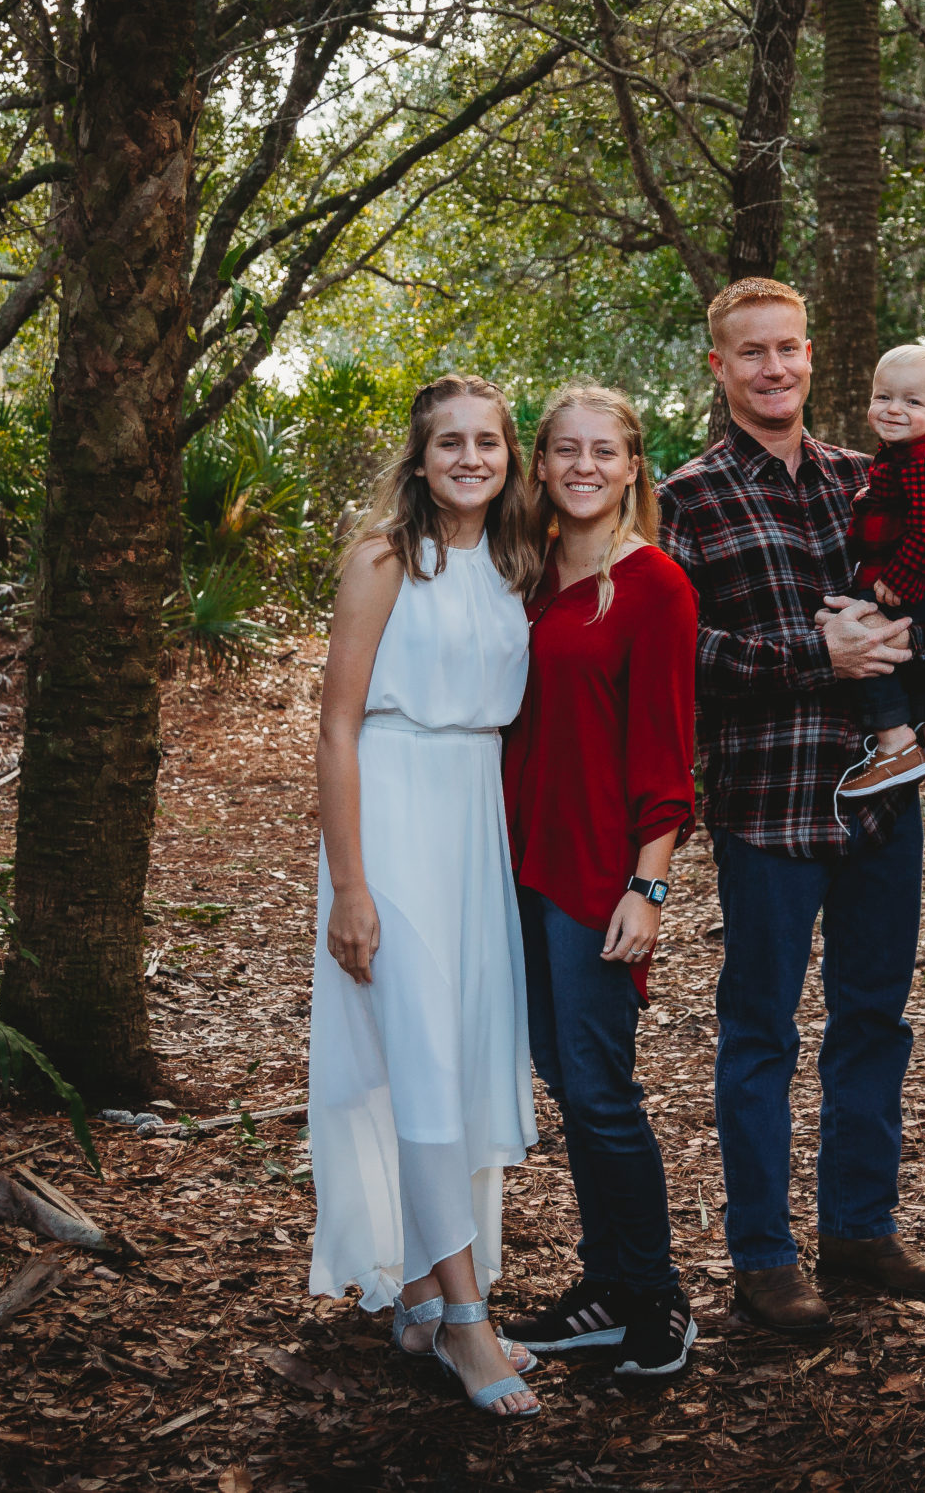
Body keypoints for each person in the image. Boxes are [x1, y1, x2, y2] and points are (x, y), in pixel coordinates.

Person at [658, 277, 925, 1338]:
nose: (774, 367)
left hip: (883, 798)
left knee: (875, 1019)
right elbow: (674, 656)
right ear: (720, 368)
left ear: (808, 354)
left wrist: (909, 639)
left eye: (788, 348)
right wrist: (811, 653)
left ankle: (859, 1231)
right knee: (759, 1033)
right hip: (768, 806)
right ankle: (763, 1255)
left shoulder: (874, 476)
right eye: (751, 353)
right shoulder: (684, 499)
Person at [306, 375, 543, 1418]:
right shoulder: (382, 559)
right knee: (424, 1059)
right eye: (450, 442)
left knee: (454, 1057)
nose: (470, 458)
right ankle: (465, 1324)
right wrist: (351, 884)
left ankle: (418, 1286)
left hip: (471, 820)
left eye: (488, 442)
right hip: (394, 818)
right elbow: (337, 729)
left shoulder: (511, 562)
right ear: (418, 456)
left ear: (509, 457)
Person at [499, 384, 704, 1377]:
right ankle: (608, 1285)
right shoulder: (518, 576)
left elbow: (667, 761)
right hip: (509, 863)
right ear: (538, 465)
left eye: (604, 452)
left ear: (632, 469)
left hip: (594, 876)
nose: (583, 467)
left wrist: (647, 890)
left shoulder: (655, 585)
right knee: (565, 1080)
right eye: (565, 451)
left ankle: (656, 1297)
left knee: (601, 1088)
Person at [834, 344, 925, 801]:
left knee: (862, 633)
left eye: (913, 402)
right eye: (883, 396)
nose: (893, 409)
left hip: (922, 575)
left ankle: (895, 744)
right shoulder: (898, 456)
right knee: (892, 640)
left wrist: (898, 578)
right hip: (911, 571)